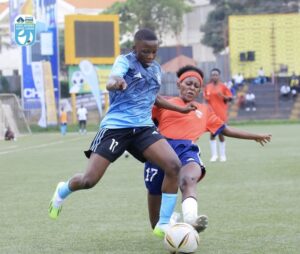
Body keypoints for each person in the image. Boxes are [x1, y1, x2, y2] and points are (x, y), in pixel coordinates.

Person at [48, 28, 196, 238]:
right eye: (145, 51)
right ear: (134, 48)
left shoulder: (156, 69)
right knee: (89, 180)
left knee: (173, 166)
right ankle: (62, 190)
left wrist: (180, 108)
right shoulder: (124, 61)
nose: (150, 56)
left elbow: (153, 97)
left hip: (143, 128)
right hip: (116, 128)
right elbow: (113, 79)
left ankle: (163, 224)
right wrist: (115, 83)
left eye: (154, 52)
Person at [144, 65, 272, 236]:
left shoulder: (204, 111)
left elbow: (225, 130)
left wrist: (255, 136)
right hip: (161, 150)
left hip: (186, 151)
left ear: (200, 91)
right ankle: (171, 221)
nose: (192, 88)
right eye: (188, 83)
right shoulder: (164, 104)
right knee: (156, 224)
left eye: (196, 86)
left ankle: (191, 219)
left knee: (188, 179)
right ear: (179, 84)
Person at [204, 68, 233, 162]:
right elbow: (206, 100)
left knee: (221, 133)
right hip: (211, 115)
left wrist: (224, 97)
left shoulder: (223, 87)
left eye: (216, 75)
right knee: (212, 134)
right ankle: (214, 155)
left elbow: (230, 98)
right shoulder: (207, 87)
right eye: (213, 75)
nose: (214, 76)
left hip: (221, 114)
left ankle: (223, 155)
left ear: (219, 76)